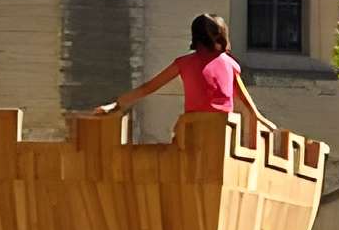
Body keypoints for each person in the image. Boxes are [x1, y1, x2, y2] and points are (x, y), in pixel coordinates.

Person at [100, 14, 275, 140]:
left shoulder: (184, 63)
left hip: (193, 122)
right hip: (225, 125)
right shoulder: (230, 64)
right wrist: (259, 119)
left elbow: (150, 87)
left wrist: (116, 104)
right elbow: (245, 100)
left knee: (178, 136)